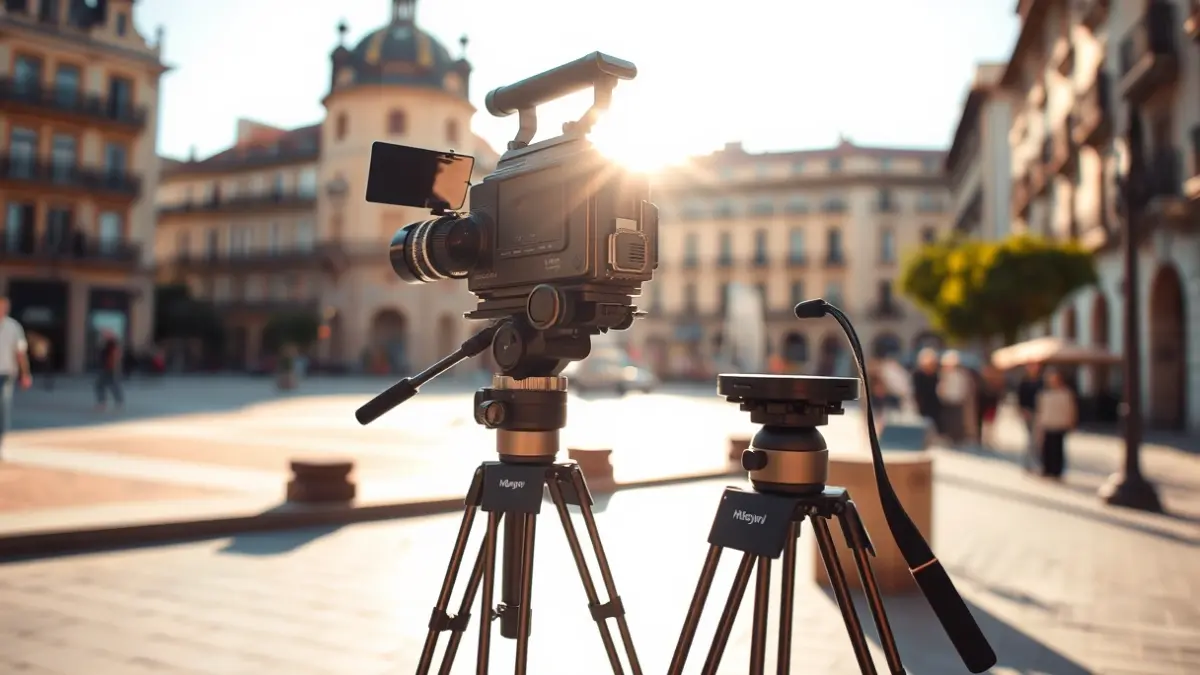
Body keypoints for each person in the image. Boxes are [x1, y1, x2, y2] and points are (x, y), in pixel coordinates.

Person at [0, 296, 33, 456]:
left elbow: (20, 353)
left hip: (6, 375)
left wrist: (25, 374)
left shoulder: (14, 327)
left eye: (4, 306)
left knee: (2, 408)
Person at [1034, 367, 1076, 479]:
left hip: (1060, 424)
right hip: (1047, 423)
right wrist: (1039, 425)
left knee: (1058, 449)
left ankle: (1057, 470)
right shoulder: (1044, 394)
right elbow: (1040, 410)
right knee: (1047, 449)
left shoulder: (1066, 393)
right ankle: (1047, 469)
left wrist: (1071, 421)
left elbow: (1071, 408)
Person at [937, 350, 973, 447]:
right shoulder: (944, 375)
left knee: (957, 421)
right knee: (948, 421)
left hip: (957, 401)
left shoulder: (960, 374)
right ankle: (949, 437)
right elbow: (941, 389)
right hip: (947, 401)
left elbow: (964, 387)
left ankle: (957, 438)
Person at [1016, 363, 1043, 469]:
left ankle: (1034, 459)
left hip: (1039, 412)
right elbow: (1020, 397)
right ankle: (1029, 461)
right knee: (1031, 437)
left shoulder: (1041, 382)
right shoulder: (1024, 382)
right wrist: (1023, 410)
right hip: (1028, 411)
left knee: (1036, 438)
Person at [911, 348, 942, 435]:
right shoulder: (918, 375)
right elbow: (917, 391)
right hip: (922, 404)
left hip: (934, 404)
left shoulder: (936, 375)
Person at [977, 364, 1005, 449]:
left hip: (991, 405)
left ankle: (988, 439)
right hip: (982, 405)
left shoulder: (995, 382)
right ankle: (981, 438)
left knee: (989, 423)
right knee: (982, 423)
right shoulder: (981, 382)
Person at [95, 331, 124, 411]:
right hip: (107, 369)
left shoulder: (112, 347)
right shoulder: (109, 346)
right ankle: (117, 402)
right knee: (110, 386)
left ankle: (103, 403)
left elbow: (115, 360)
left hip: (109, 369)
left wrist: (116, 370)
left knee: (103, 386)